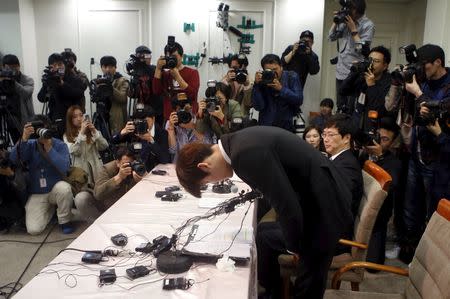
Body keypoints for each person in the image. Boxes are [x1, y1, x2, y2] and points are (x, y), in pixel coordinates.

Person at [175, 126, 353, 298]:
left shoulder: (243, 154)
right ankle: (276, 291)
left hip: (324, 208)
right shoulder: (236, 143)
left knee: (308, 287)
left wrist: (294, 247)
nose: (214, 183)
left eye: (207, 183)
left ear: (204, 166)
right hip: (314, 198)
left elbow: (286, 205)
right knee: (264, 235)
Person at [401, 44, 450, 262]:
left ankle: (428, 261)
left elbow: (437, 112)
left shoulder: (447, 88)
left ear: (438, 62)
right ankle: (410, 253)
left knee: (434, 212)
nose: (422, 70)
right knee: (411, 208)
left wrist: (418, 93)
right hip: (417, 153)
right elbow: (414, 115)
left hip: (438, 158)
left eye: (425, 65)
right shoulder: (423, 82)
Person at [10, 115, 75, 234]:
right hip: (37, 192)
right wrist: (23, 138)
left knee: (64, 189)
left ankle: (65, 220)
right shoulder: (29, 144)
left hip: (55, 189)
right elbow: (13, 159)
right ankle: (50, 211)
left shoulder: (59, 145)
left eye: (43, 129)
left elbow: (64, 167)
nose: (41, 133)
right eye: (38, 129)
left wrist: (49, 148)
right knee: (33, 230)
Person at [359, 117, 402, 265]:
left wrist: (379, 157)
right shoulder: (364, 152)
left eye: (384, 139)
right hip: (360, 202)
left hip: (379, 213)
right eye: (378, 136)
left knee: (373, 264)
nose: (379, 142)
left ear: (392, 142)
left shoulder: (394, 162)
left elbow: (390, 186)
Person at [328, 0, 375, 114]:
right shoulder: (345, 21)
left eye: (351, 9)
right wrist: (336, 21)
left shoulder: (368, 25)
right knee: (340, 107)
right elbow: (331, 37)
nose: (348, 12)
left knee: (351, 109)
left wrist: (354, 30)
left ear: (358, 10)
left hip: (355, 73)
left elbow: (362, 50)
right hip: (340, 71)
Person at [339, 45, 392, 129]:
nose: (371, 63)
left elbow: (381, 109)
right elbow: (343, 91)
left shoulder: (390, 83)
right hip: (356, 125)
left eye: (376, 61)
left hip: (375, 128)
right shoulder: (362, 77)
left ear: (385, 66)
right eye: (369, 60)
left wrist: (372, 86)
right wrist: (354, 71)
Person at [323, 114, 363, 219]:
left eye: (331, 135)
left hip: (333, 228)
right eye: (324, 134)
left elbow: (338, 202)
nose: (326, 139)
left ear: (346, 138)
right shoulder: (339, 159)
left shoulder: (347, 165)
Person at [252, 54, 303, 132]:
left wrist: (281, 89)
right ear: (264, 70)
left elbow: (299, 100)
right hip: (266, 127)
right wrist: (256, 85)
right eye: (269, 70)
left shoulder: (291, 77)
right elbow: (258, 106)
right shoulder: (262, 80)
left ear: (281, 67)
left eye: (275, 69)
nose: (273, 73)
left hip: (286, 127)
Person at [37, 53, 85, 136]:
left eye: (60, 64)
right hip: (55, 119)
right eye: (54, 65)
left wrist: (62, 83)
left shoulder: (75, 78)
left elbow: (78, 93)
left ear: (65, 65)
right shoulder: (50, 80)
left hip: (72, 120)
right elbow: (41, 98)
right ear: (50, 67)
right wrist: (46, 84)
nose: (58, 67)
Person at [111, 106, 170, 171]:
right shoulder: (134, 130)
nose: (142, 125)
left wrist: (151, 140)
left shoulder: (161, 133)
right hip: (133, 168)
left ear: (153, 119)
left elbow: (165, 159)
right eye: (140, 122)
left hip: (152, 170)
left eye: (145, 121)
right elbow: (113, 141)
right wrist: (122, 132)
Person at [153, 40, 200, 121]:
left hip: (188, 118)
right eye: (169, 57)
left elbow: (192, 94)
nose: (172, 59)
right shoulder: (165, 74)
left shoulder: (193, 73)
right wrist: (158, 68)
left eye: (174, 56)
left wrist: (178, 77)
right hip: (169, 118)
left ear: (182, 56)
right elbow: (156, 91)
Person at [94, 146, 147, 211]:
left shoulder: (137, 167)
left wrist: (142, 181)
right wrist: (119, 177)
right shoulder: (107, 169)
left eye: (131, 164)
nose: (129, 167)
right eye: (125, 164)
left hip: (131, 204)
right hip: (111, 204)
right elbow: (98, 194)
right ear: (117, 163)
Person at [166, 93, 214, 161]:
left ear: (191, 107)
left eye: (186, 109)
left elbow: (208, 145)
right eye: (180, 109)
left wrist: (193, 127)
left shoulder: (199, 120)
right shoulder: (172, 123)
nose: (183, 112)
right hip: (180, 163)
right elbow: (172, 151)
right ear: (174, 111)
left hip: (198, 163)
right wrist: (171, 130)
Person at [129, 45, 164, 127]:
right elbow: (133, 94)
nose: (148, 58)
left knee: (157, 131)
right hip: (142, 108)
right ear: (138, 57)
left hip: (157, 108)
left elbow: (159, 88)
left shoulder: (155, 69)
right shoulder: (136, 72)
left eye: (149, 56)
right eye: (146, 56)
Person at [1, 54, 35, 129]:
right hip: (7, 119)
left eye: (14, 67)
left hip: (24, 119)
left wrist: (13, 81)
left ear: (19, 66)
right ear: (3, 68)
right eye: (8, 68)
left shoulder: (27, 80)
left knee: (25, 140)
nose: (12, 70)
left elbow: (26, 93)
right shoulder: (2, 80)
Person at [99, 55, 129, 135]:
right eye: (105, 67)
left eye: (110, 67)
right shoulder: (100, 81)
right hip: (103, 115)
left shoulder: (122, 81)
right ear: (101, 68)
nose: (108, 69)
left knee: (117, 140)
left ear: (115, 67)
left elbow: (122, 98)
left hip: (117, 117)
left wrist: (110, 87)